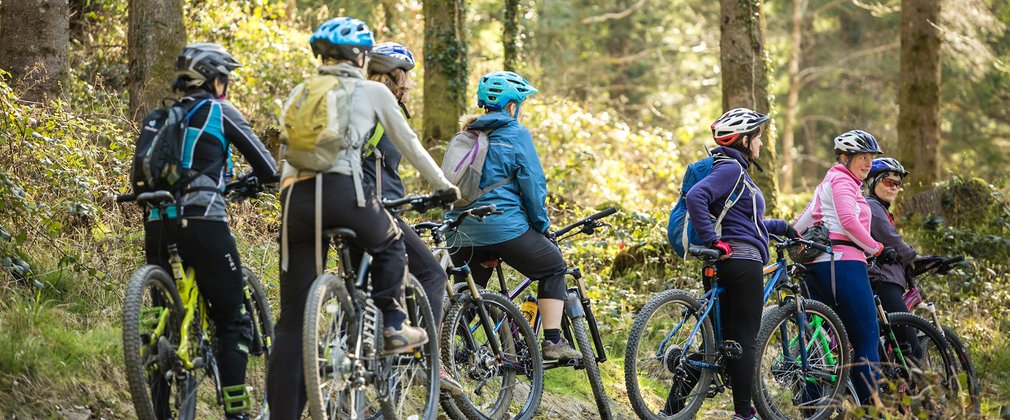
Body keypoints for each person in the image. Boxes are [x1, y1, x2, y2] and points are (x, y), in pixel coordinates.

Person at [265, 18, 459, 418]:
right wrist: (443, 186)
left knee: (292, 323)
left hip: (295, 201)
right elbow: (411, 145)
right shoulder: (371, 90)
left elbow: (285, 155)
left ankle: (281, 413)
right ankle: (392, 323)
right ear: (360, 56)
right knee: (390, 243)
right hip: (344, 193)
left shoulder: (300, 92)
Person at [144, 43, 278, 419]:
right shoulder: (219, 111)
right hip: (202, 222)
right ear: (216, 80)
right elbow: (267, 166)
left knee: (165, 325)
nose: (228, 85)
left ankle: (156, 409)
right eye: (227, 78)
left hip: (156, 223)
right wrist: (269, 181)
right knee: (232, 317)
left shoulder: (160, 117)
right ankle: (236, 412)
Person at [446, 70, 584, 361]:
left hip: (460, 231)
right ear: (512, 105)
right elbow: (533, 184)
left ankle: (452, 347)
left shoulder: (465, 135)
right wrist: (541, 226)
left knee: (471, 291)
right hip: (504, 227)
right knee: (554, 267)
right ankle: (553, 342)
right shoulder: (516, 133)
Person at [674, 107, 797, 420]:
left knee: (720, 342)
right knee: (744, 339)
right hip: (741, 262)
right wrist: (712, 240)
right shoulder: (731, 169)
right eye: (757, 138)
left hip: (725, 258)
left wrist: (781, 227)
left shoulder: (730, 170)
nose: (760, 144)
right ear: (744, 140)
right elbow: (696, 198)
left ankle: (671, 409)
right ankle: (744, 414)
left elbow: (744, 223)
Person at [363, 40, 463, 394]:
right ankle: (426, 359)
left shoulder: (358, 100)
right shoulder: (380, 102)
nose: (409, 86)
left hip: (344, 203)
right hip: (376, 209)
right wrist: (444, 188)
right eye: (406, 78)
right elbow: (411, 151)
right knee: (432, 273)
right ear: (395, 76)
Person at [793, 129, 894, 404]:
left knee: (823, 338)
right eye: (862, 157)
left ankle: (810, 402)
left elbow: (803, 220)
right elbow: (849, 222)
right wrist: (876, 248)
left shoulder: (829, 181)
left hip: (820, 268)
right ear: (845, 157)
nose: (867, 164)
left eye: (870, 158)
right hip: (845, 266)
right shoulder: (843, 181)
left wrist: (788, 235)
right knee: (867, 336)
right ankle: (871, 408)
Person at [865, 157, 923, 357]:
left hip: (884, 279)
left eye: (898, 184)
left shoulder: (880, 209)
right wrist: (919, 259)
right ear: (873, 182)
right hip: (883, 281)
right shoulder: (872, 207)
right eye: (888, 182)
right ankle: (923, 386)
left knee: (892, 343)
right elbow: (894, 243)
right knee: (911, 345)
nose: (894, 188)